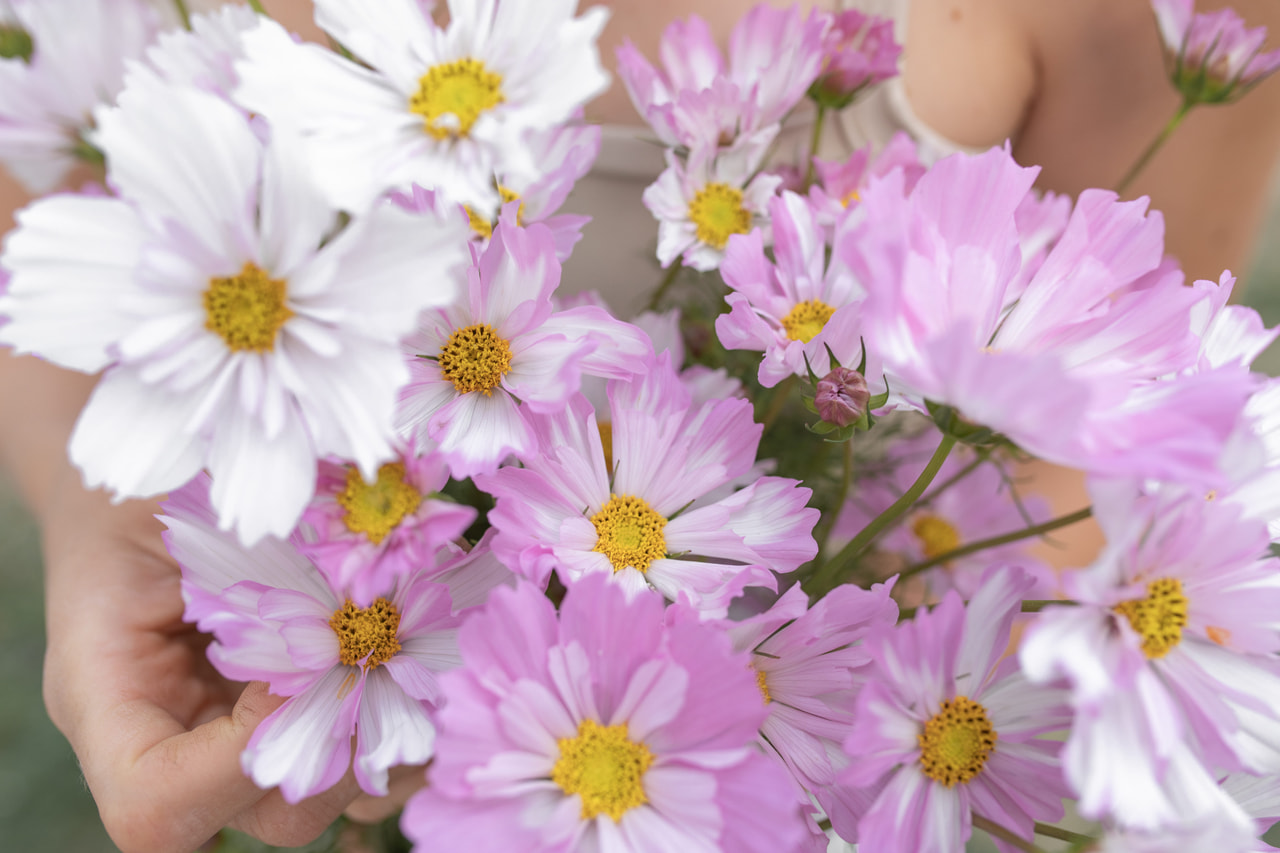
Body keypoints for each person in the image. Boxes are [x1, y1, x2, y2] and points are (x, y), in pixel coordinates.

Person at [0, 1, 1276, 851]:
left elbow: (1101, 443)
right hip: (336, 645)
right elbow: (46, 224)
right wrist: (95, 511)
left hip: (797, 747)